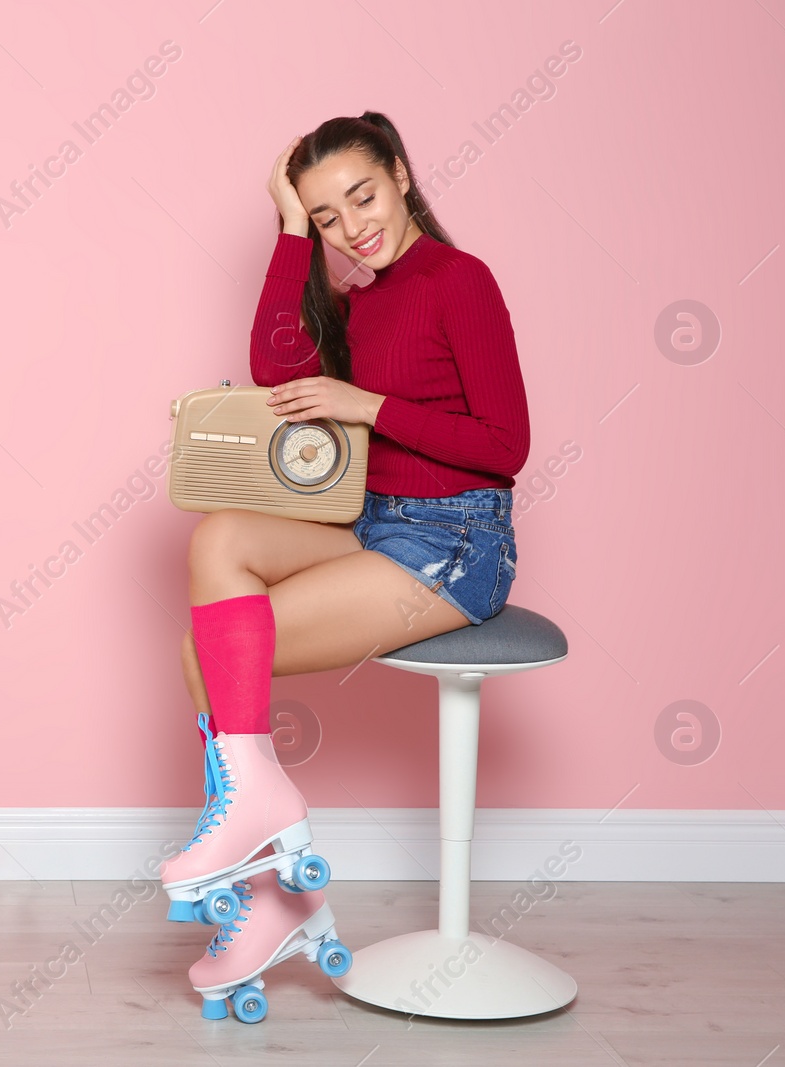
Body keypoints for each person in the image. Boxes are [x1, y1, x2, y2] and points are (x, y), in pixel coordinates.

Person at [161, 112, 532, 1003]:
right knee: (218, 539)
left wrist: (366, 405)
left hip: (458, 542)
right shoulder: (359, 294)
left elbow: (507, 443)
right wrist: (290, 231)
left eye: (362, 196)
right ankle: (267, 887)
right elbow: (269, 367)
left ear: (402, 175)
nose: (352, 225)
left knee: (211, 648)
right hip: (379, 523)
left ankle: (261, 845)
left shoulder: (460, 280)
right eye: (328, 216)